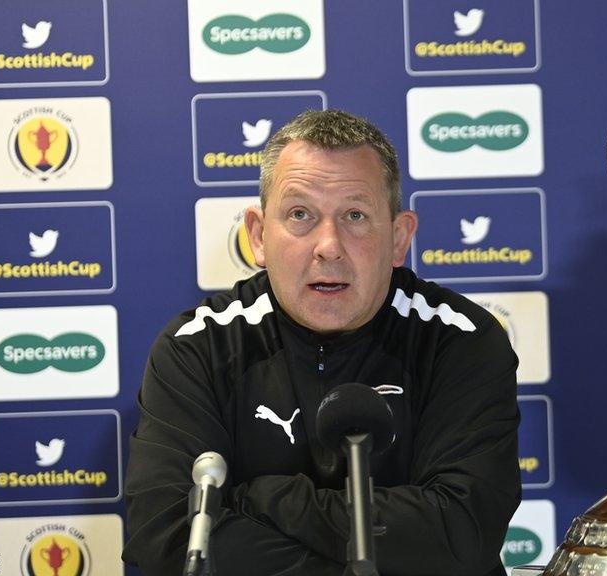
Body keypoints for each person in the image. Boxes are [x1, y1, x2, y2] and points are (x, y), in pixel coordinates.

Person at [122, 109, 522, 575]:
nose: (328, 245)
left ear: (398, 237)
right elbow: (166, 540)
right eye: (300, 215)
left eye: (355, 215)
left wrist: (267, 497)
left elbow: (461, 537)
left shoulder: (461, 341)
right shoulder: (199, 347)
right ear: (257, 236)